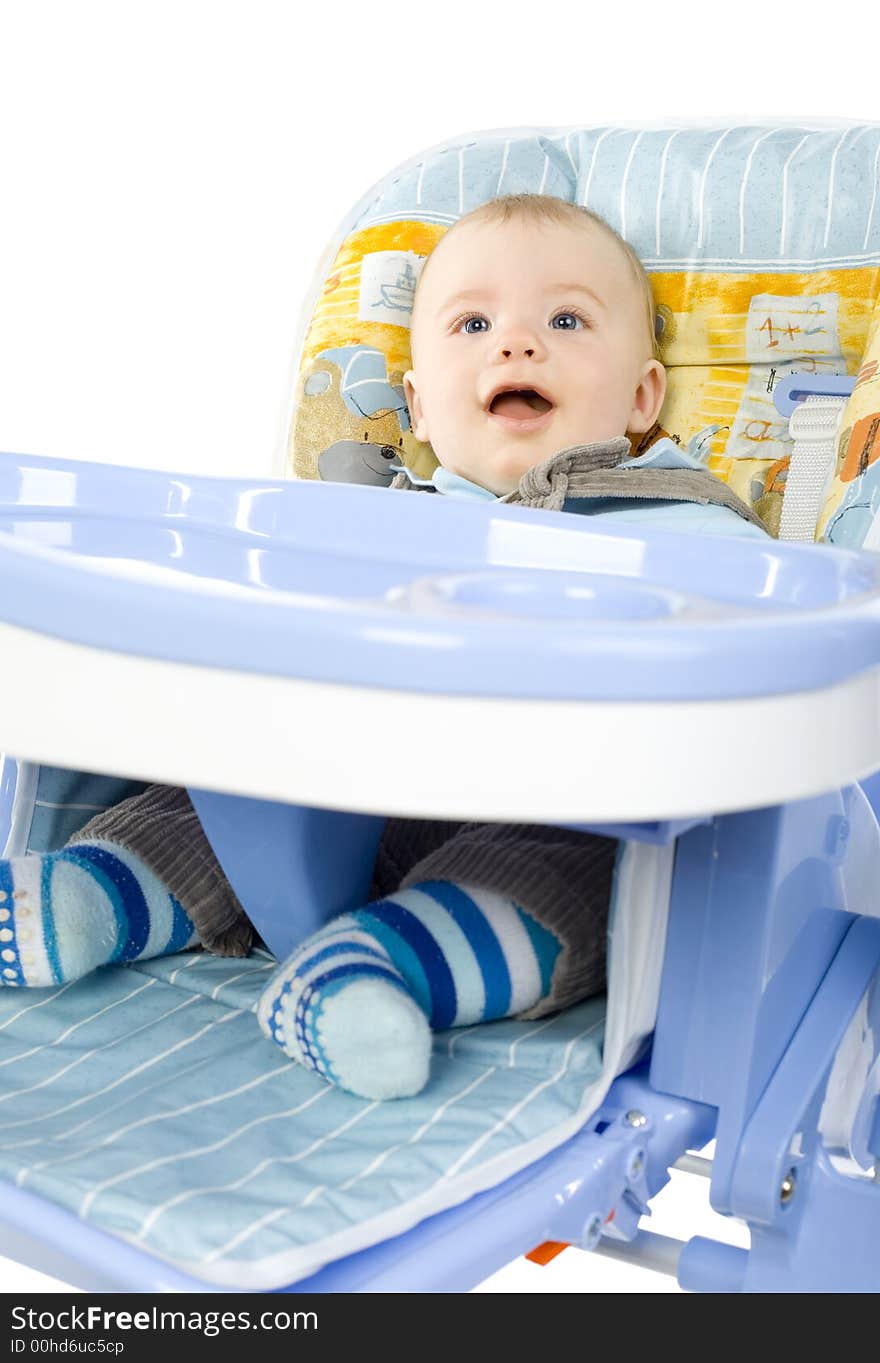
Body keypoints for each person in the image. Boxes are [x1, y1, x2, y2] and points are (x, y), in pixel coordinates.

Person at [0, 195, 767, 1100]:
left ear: (643, 398)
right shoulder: (370, 519)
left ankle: (376, 971)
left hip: (554, 796)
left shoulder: (688, 522)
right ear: (419, 406)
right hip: (333, 776)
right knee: (212, 783)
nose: (516, 344)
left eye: (565, 320)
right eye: (473, 323)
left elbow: (754, 650)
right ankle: (90, 896)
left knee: (584, 875)